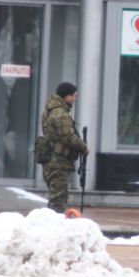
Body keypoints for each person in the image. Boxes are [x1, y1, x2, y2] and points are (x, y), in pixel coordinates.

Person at [41, 82, 88, 212]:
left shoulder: (50, 110)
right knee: (58, 202)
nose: (75, 99)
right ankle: (53, 228)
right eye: (74, 96)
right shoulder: (60, 114)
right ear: (67, 96)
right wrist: (84, 147)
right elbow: (69, 137)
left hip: (51, 159)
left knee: (56, 199)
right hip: (58, 162)